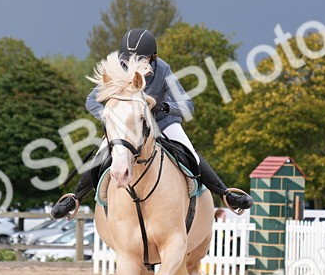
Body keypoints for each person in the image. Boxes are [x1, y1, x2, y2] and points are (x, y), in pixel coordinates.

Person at [50, 28, 253, 220]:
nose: (133, 64)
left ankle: (226, 195)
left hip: (162, 124)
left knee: (191, 154)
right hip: (129, 128)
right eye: (128, 59)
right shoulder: (117, 70)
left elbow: (187, 105)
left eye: (140, 59)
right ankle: (74, 198)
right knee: (101, 154)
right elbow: (91, 101)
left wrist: (165, 107)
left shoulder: (163, 69)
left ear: (152, 57)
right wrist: (111, 117)